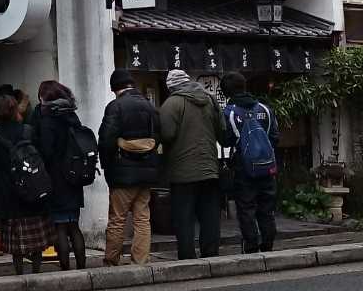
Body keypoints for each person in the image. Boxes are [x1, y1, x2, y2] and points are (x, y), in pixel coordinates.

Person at [159, 69, 224, 260]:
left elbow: (167, 134)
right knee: (210, 216)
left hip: (182, 172)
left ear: (171, 87)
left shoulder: (171, 104)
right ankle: (211, 253)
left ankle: (187, 255)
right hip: (210, 169)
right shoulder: (211, 100)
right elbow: (222, 132)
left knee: (184, 218)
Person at [97, 69, 161, 266]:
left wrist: (108, 167)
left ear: (115, 87)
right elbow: (158, 137)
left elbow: (106, 140)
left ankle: (111, 260)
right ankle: (140, 260)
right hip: (147, 171)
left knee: (118, 218)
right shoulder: (150, 107)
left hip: (122, 172)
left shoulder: (115, 106)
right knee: (142, 218)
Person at [0, 94, 53, 274]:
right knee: (36, 237)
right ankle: (36, 271)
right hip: (32, 188)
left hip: (8, 193)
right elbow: (42, 158)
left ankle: (19, 273)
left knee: (16, 239)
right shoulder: (27, 130)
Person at [31, 80, 87, 270]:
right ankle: (81, 267)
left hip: (57, 177)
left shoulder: (48, 119)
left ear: (44, 97)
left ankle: (65, 268)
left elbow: (47, 151)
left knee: (61, 227)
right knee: (74, 225)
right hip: (75, 175)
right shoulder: (72, 115)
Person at [221, 72, 279, 254]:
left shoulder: (229, 113)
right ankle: (268, 244)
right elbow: (275, 137)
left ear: (226, 92)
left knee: (246, 208)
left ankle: (251, 246)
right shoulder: (265, 109)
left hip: (243, 168)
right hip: (267, 166)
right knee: (266, 208)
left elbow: (226, 141)